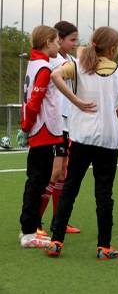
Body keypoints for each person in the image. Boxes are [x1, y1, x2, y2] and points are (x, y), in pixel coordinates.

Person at [45, 26, 118, 259]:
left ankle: (56, 241)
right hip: (108, 139)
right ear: (113, 49)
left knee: (70, 189)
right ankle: (104, 246)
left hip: (82, 137)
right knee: (104, 193)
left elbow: (55, 76)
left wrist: (76, 101)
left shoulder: (79, 67)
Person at [18, 25, 61, 248]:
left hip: (41, 128)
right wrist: (27, 124)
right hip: (43, 129)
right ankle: (28, 232)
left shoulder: (34, 64)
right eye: (56, 42)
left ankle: (31, 228)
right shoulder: (43, 67)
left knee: (39, 180)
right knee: (37, 181)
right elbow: (35, 101)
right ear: (47, 42)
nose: (58, 45)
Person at [38, 21, 81, 235]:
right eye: (71, 39)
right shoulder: (52, 61)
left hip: (69, 124)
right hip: (55, 124)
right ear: (58, 39)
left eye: (76, 40)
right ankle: (35, 223)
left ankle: (59, 222)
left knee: (63, 174)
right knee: (54, 173)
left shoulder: (73, 61)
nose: (75, 44)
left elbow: (84, 59)